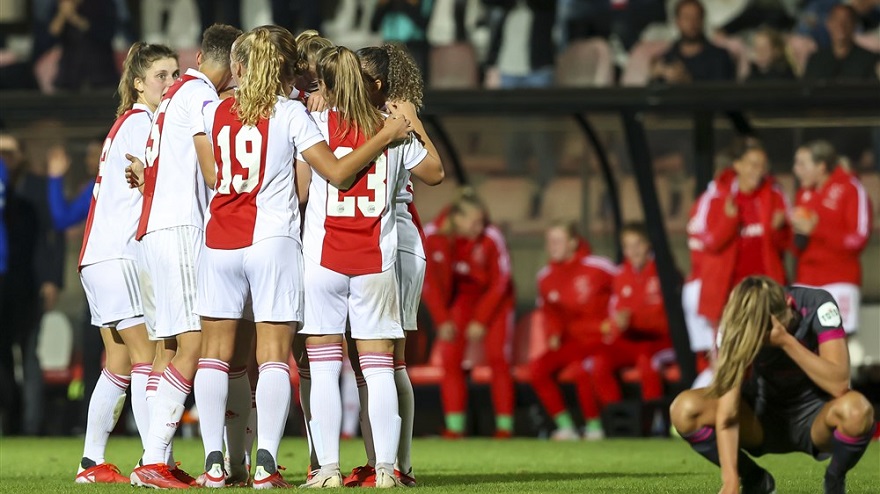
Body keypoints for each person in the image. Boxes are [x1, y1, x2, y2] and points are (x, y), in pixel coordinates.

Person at [193, 27, 414, 489]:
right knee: (275, 356)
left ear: (239, 67)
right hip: (273, 240)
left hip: (219, 240)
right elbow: (332, 172)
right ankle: (267, 465)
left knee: (214, 355)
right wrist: (388, 132)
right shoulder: (293, 113)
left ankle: (215, 463)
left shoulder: (213, 109)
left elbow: (213, 174)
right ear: (286, 71)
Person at [298, 44, 439, 488]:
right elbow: (435, 173)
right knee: (380, 368)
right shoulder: (393, 128)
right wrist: (407, 123)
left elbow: (303, 186)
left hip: (323, 258)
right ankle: (387, 469)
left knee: (324, 366)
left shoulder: (314, 122)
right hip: (376, 259)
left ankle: (327, 469)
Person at [125, 23, 242, 489]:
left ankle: (155, 457)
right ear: (236, 65)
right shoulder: (201, 98)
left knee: (168, 349)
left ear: (199, 57)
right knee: (194, 344)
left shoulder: (173, 95)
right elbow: (215, 167)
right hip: (180, 229)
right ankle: (154, 459)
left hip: (153, 230)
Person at [71, 42, 179, 484]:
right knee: (146, 358)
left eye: (175, 74)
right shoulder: (141, 123)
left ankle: (91, 463)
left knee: (117, 361)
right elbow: (150, 177)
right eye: (161, 76)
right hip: (119, 254)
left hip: (98, 257)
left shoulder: (127, 123)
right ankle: (155, 462)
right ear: (138, 83)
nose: (170, 83)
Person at [342, 43, 443, 487]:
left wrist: (414, 121)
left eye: (357, 74)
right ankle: (378, 458)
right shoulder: (349, 115)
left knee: (389, 356)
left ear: (378, 83)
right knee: (365, 357)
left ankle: (399, 463)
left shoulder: (394, 119)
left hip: (394, 235)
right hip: (358, 237)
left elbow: (435, 173)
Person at [670, 276, 876, 494]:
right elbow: (728, 414)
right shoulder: (739, 324)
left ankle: (834, 480)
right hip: (760, 417)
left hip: (816, 417)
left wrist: (786, 342)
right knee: (684, 409)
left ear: (788, 303)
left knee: (857, 411)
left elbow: (839, 383)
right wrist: (730, 481)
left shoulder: (818, 304)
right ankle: (755, 478)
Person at [422, 191, 516, 439]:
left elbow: (501, 281)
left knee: (498, 359)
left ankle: (504, 427)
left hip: (495, 303)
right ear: (457, 219)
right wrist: (442, 320)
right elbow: (428, 282)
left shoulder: (492, 237)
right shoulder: (433, 236)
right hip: (461, 301)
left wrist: (481, 319)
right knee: (451, 359)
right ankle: (454, 428)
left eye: (482, 222)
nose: (480, 228)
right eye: (474, 223)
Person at [0, 131, 65, 436]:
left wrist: (52, 278)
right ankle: (9, 419)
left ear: (22, 156)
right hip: (4, 281)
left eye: (10, 152)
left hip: (30, 284)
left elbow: (53, 235)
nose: (5, 158)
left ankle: (31, 424)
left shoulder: (37, 187)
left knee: (29, 354)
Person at [529, 221, 615, 441]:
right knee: (537, 369)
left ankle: (596, 426)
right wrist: (554, 333)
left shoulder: (599, 267)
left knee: (584, 369)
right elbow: (550, 312)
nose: (553, 246)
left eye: (558, 241)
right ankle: (565, 427)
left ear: (573, 242)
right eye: (549, 242)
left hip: (601, 340)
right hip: (572, 343)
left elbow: (623, 292)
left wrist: (613, 324)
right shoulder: (545, 277)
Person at [691, 139, 790, 328]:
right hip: (728, 292)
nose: (758, 171)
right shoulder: (717, 196)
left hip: (765, 291)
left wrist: (780, 229)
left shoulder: (774, 195)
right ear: (737, 165)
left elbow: (785, 246)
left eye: (762, 166)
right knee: (729, 343)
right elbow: (710, 243)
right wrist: (729, 220)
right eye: (753, 165)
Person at [589, 223, 672, 428]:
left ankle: (655, 422)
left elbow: (665, 320)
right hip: (631, 340)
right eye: (627, 246)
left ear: (648, 245)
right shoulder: (621, 275)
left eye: (637, 244)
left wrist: (633, 320)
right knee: (599, 362)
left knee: (648, 362)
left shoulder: (665, 271)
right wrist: (618, 324)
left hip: (660, 341)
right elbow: (617, 313)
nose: (633, 251)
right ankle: (619, 419)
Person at [791, 140, 873, 339]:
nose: (796, 170)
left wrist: (817, 229)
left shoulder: (850, 188)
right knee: (804, 343)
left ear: (821, 166)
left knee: (839, 344)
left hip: (839, 280)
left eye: (802, 164)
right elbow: (796, 247)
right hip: (806, 281)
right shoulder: (803, 194)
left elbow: (859, 238)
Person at [651, 0, 735, 84]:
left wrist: (687, 81)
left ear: (703, 20)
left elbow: (722, 90)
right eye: (686, 17)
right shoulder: (666, 58)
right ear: (677, 21)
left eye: (696, 17)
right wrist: (655, 78)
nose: (692, 22)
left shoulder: (720, 57)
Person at [49, 0, 119, 91]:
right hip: (69, 77)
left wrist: (75, 18)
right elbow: (50, 37)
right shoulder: (61, 4)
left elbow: (107, 33)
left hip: (100, 75)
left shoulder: (104, 4)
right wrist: (62, 15)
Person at [804, 4, 880, 81]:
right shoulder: (816, 61)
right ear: (828, 24)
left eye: (846, 21)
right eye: (836, 20)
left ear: (854, 24)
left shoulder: (869, 61)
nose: (841, 25)